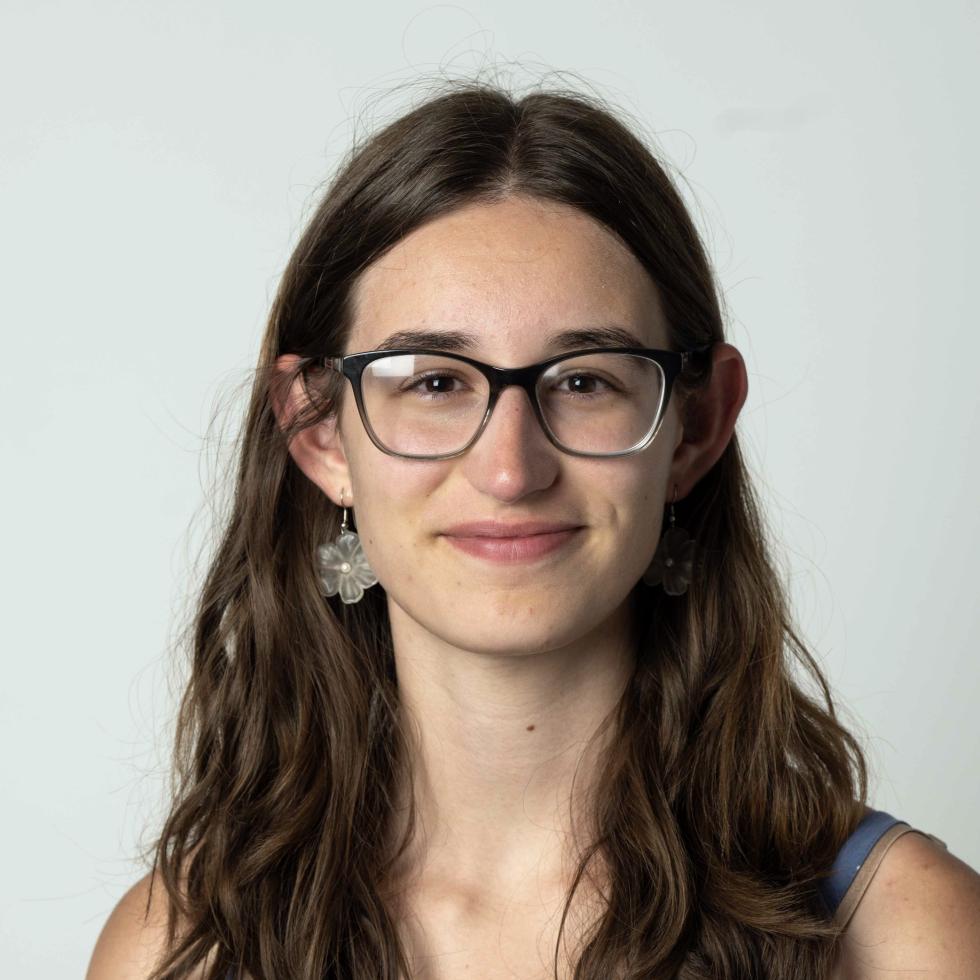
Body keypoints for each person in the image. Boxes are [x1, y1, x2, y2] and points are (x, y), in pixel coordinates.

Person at [86, 79, 980, 980]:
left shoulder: (906, 938)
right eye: (434, 382)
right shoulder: (176, 951)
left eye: (585, 381)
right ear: (320, 435)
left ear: (695, 427)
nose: (511, 471)